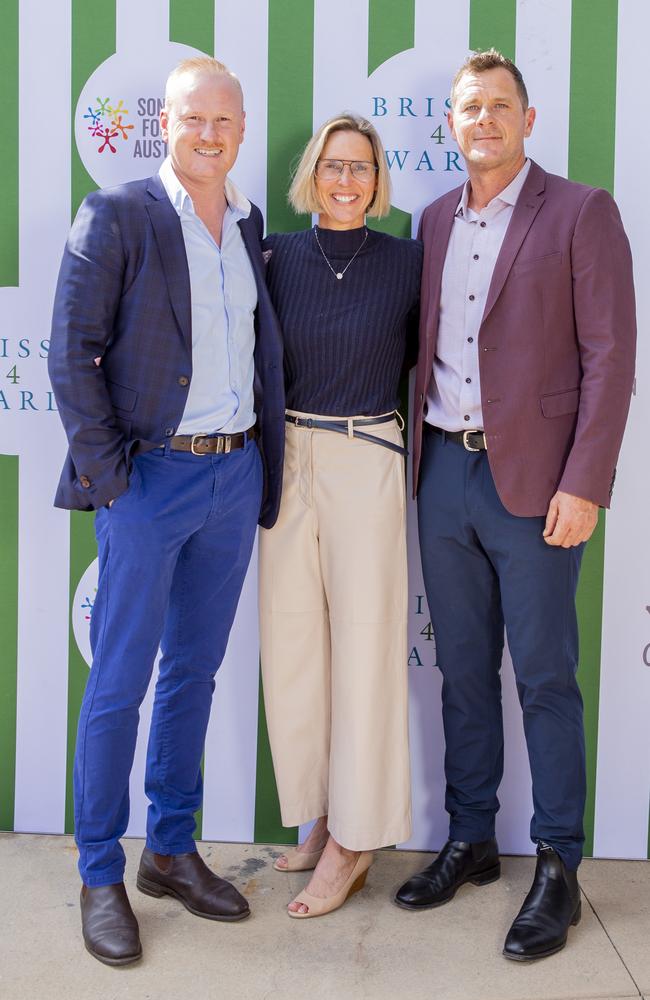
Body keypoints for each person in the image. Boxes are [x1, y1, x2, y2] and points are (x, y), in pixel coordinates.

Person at [394, 49, 636, 960]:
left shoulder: (580, 211)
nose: (483, 120)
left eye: (500, 106)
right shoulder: (432, 222)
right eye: (468, 108)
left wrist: (586, 482)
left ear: (528, 120)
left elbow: (612, 357)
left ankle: (559, 865)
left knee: (542, 677)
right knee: (461, 670)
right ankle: (470, 838)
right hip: (443, 476)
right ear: (451, 125)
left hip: (537, 484)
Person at [48, 56, 284, 966]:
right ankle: (101, 872)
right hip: (149, 483)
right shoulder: (118, 215)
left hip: (233, 480)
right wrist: (114, 479)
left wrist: (260, 468)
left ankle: (171, 850)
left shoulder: (248, 222)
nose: (211, 134)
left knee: (194, 673)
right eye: (195, 120)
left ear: (241, 128)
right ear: (166, 125)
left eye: (226, 121)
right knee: (118, 685)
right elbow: (72, 351)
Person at [259, 114, 421, 918]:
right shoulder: (275, 257)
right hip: (286, 459)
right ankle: (321, 819)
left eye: (361, 167)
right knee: (294, 650)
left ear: (379, 179)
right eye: (333, 166)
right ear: (312, 175)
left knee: (363, 654)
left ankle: (357, 844)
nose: (347, 181)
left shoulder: (409, 262)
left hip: (367, 455)